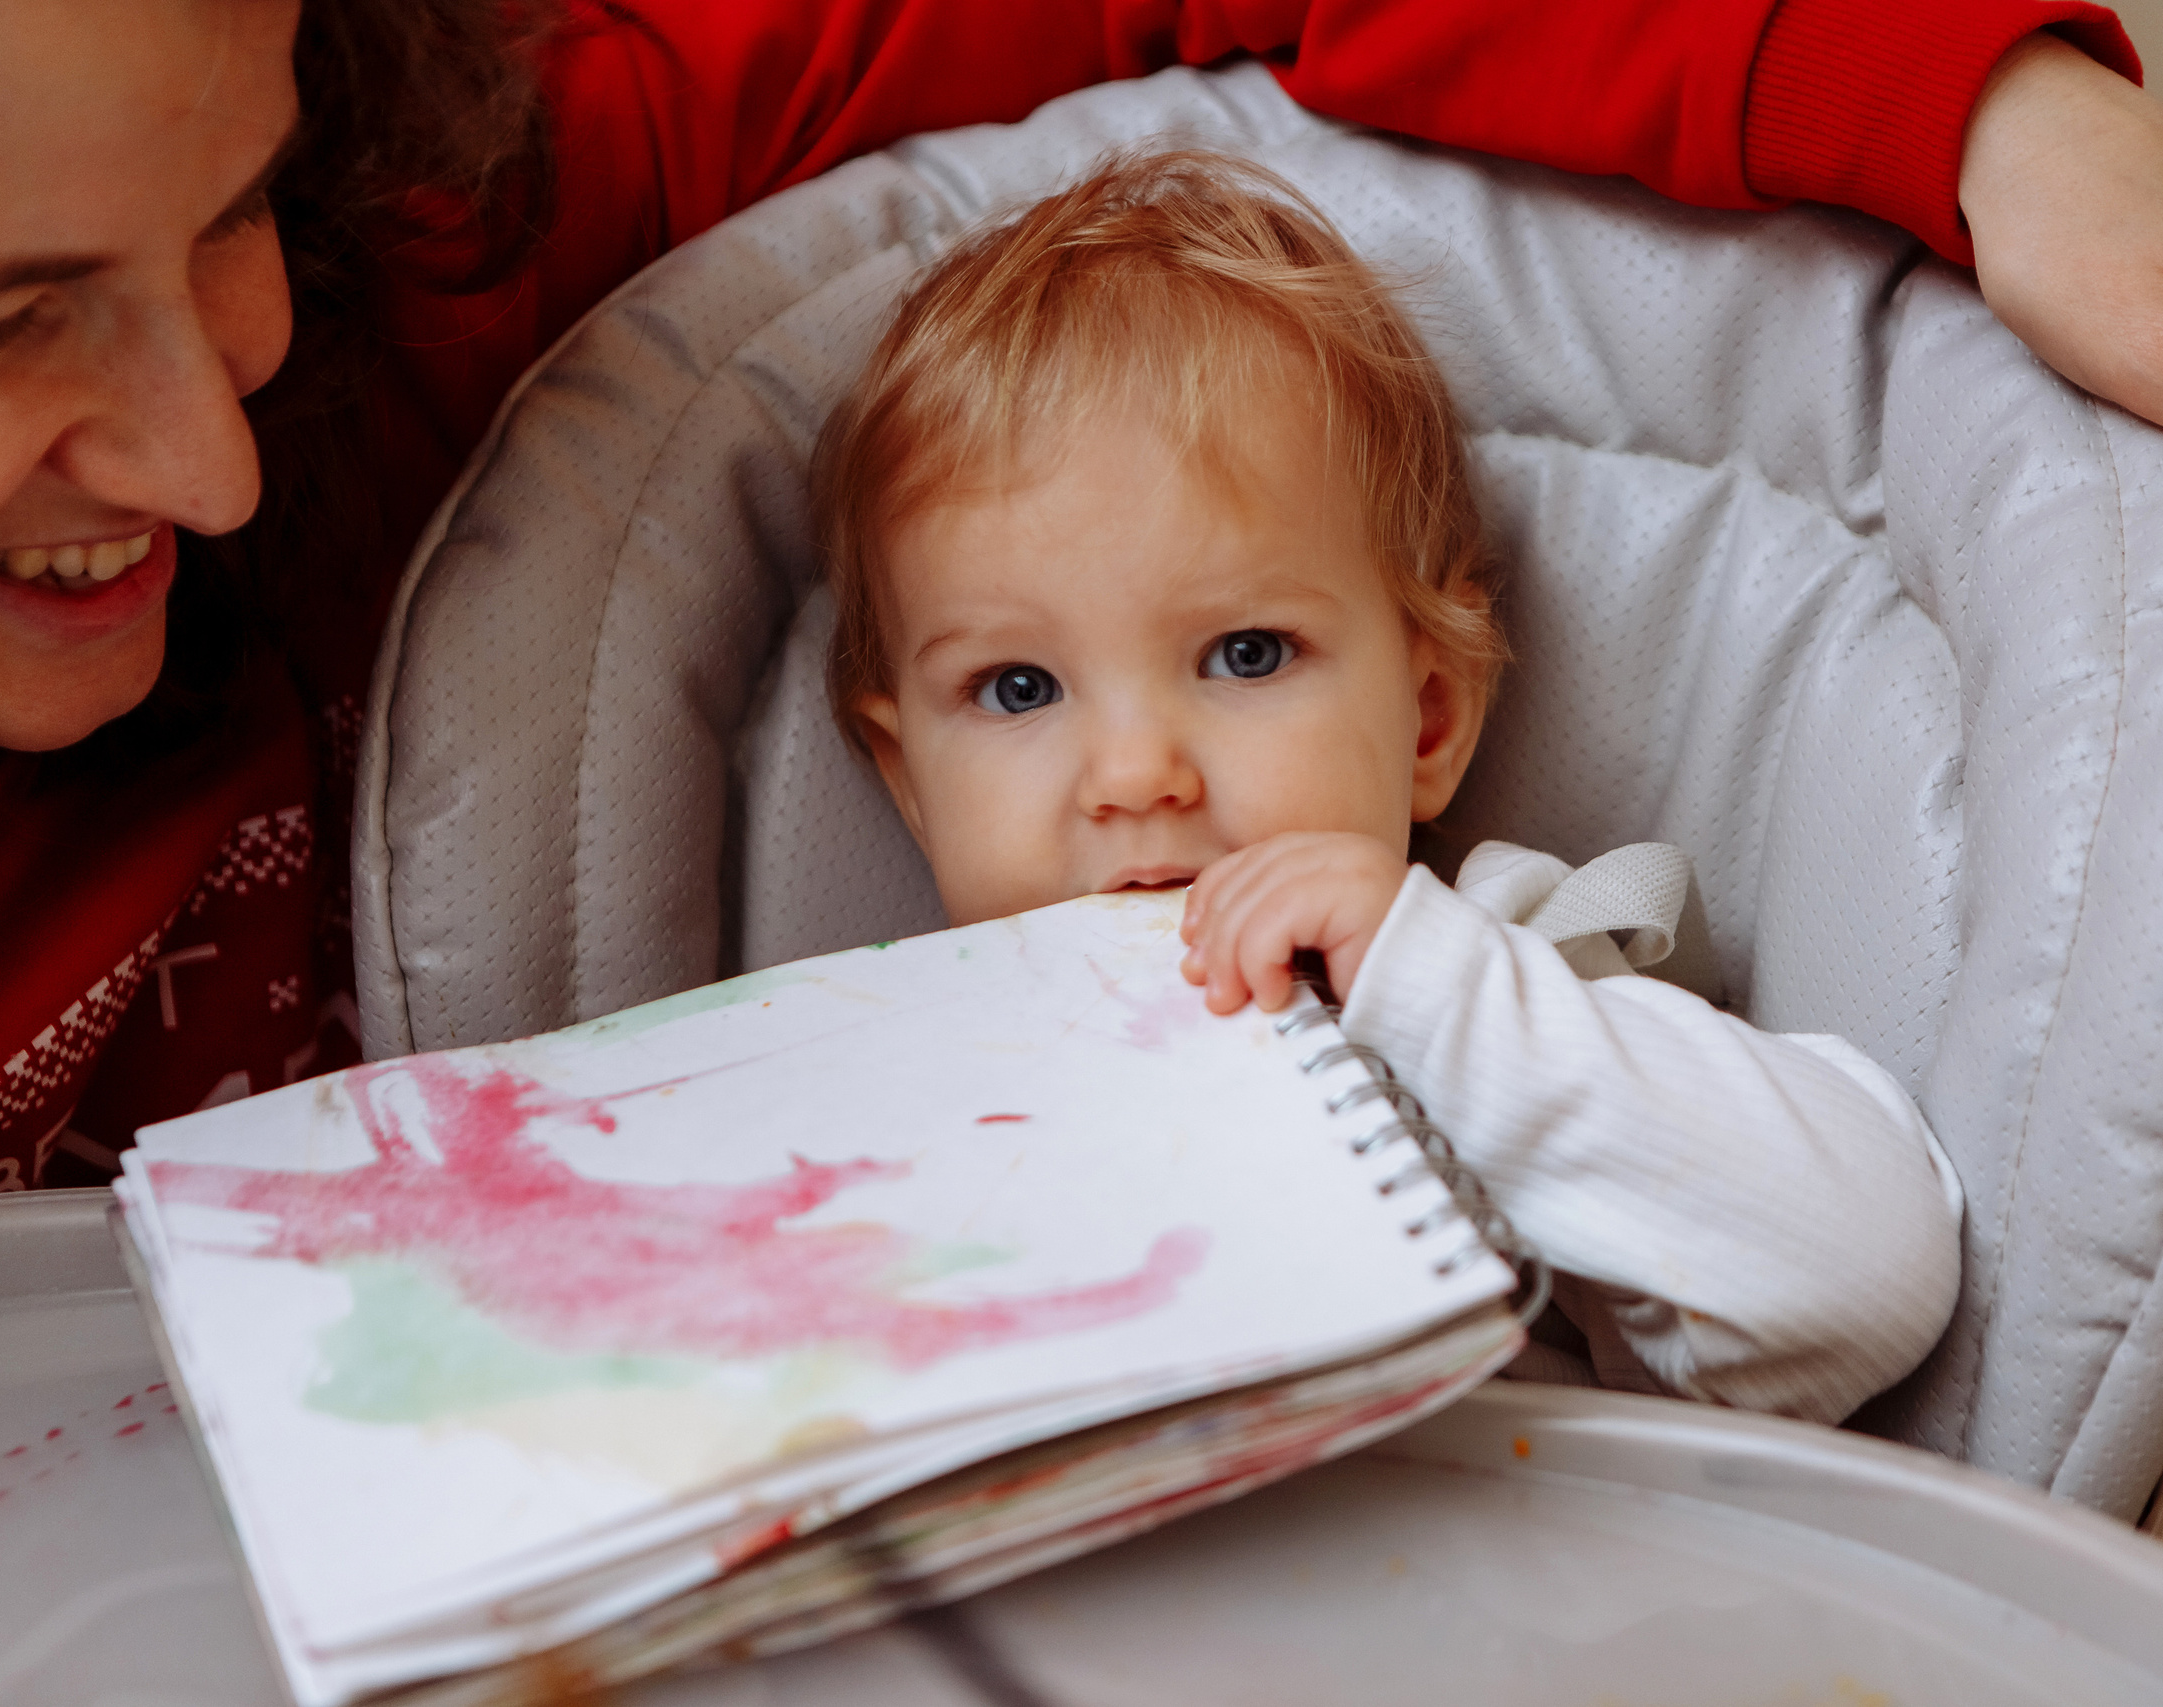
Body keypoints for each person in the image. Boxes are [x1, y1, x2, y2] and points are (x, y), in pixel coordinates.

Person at [0, 0, 2163, 1193]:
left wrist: (1981, 111)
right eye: (9, 316)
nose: (213, 448)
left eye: (227, 210)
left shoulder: (442, 242)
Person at [821, 151, 1962, 1421]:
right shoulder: (858, 1082)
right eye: (1018, 689)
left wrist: (1436, 986)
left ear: (1427, 719)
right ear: (908, 778)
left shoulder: (1507, 979)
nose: (1136, 774)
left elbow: (1879, 1274)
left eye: (1244, 655)